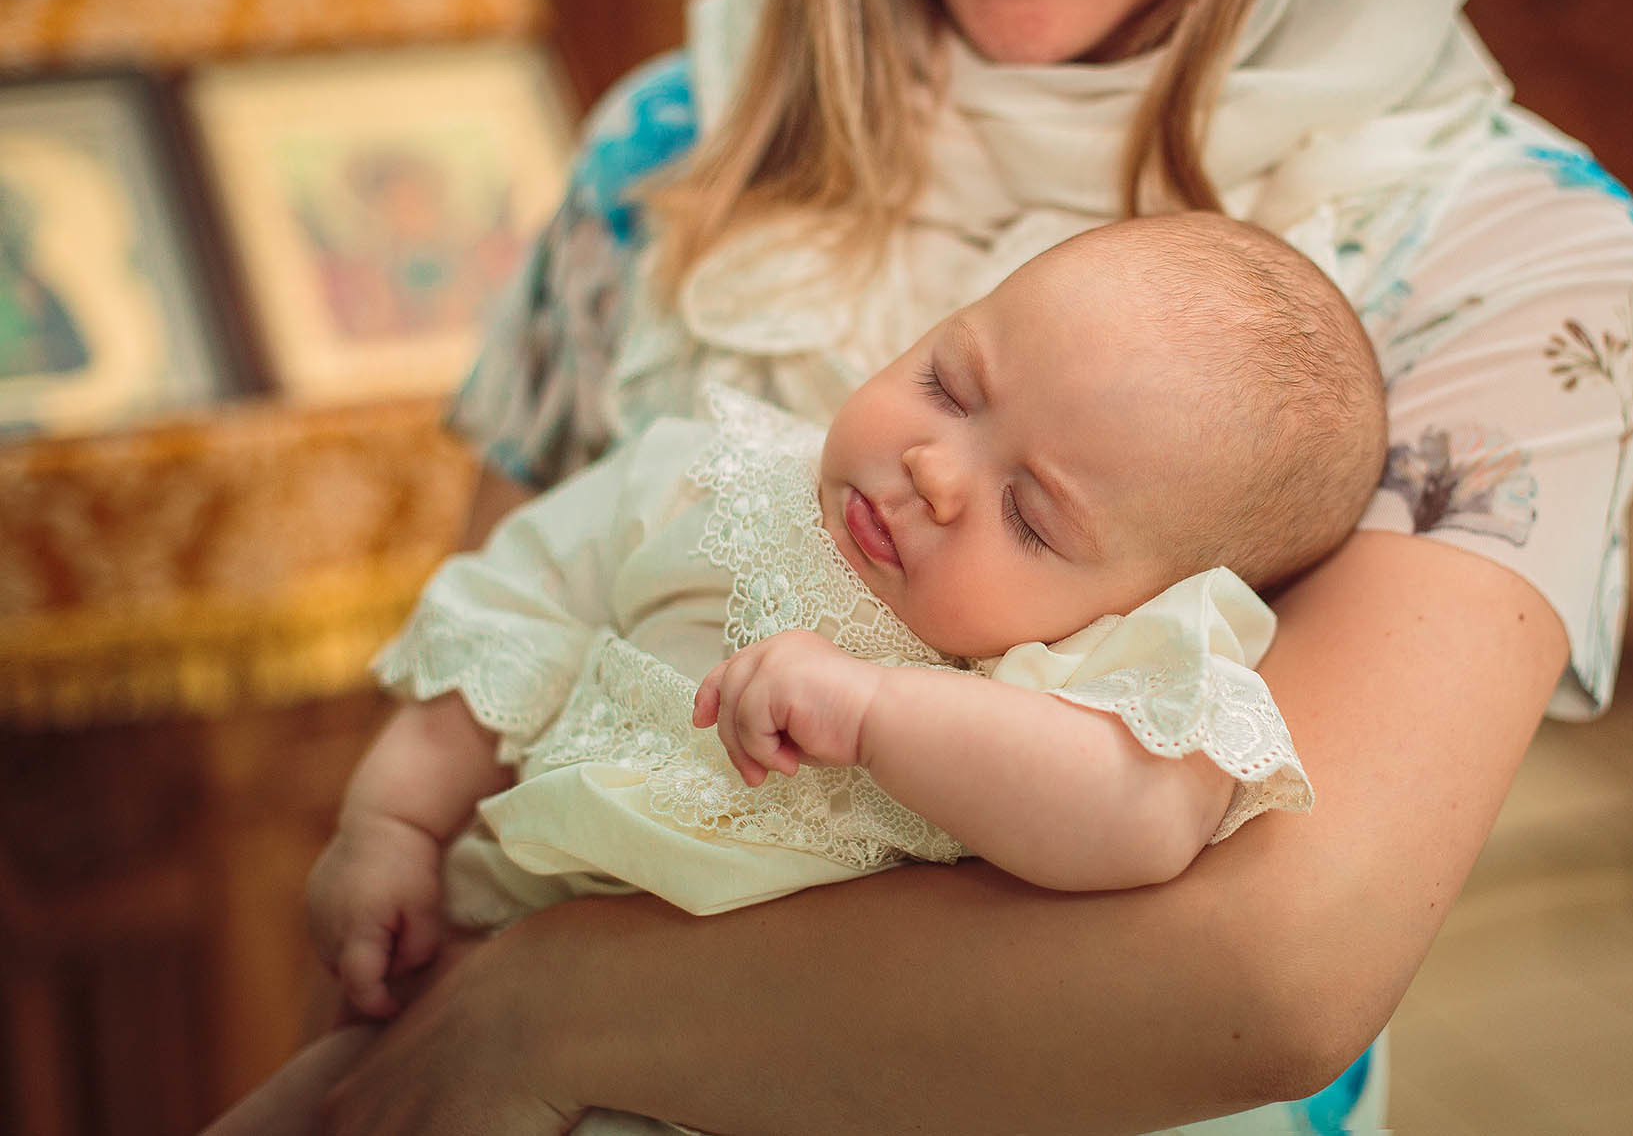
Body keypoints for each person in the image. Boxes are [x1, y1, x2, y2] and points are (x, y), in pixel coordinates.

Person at [312, 0, 1633, 1133]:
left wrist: (542, 1016)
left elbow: (1269, 969)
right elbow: (486, 660)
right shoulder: (672, 146)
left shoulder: (1500, 254)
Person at [206, 214, 1384, 1136]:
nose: (931, 469)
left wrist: (881, 712)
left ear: (1151, 597)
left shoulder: (1087, 665)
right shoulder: (696, 476)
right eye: (949, 384)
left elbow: (1130, 820)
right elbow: (510, 616)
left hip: (794, 1077)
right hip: (488, 970)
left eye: (1030, 514)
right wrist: (392, 823)